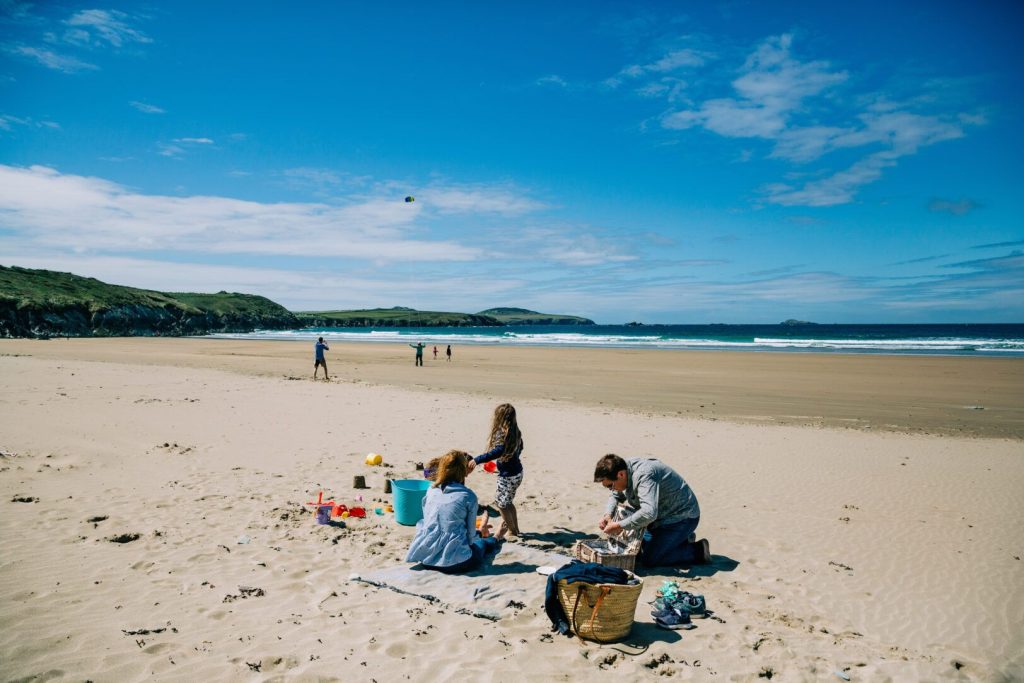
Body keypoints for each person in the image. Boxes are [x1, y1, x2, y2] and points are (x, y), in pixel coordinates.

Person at [593, 454, 710, 567]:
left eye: (610, 486)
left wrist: (619, 525)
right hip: (659, 518)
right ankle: (682, 540)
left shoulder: (644, 475)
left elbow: (649, 513)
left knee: (650, 559)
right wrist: (608, 514)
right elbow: (615, 496)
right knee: (636, 551)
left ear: (621, 474)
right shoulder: (620, 469)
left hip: (682, 517)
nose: (611, 489)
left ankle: (698, 550)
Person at [406, 450, 500, 574]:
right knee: (482, 544)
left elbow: (428, 522)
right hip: (456, 563)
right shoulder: (468, 496)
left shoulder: (430, 490)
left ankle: (483, 531)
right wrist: (478, 536)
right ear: (463, 471)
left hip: (426, 559)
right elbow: (471, 538)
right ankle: (498, 536)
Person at [467, 403, 524, 540]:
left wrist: (477, 460)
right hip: (517, 472)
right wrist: (509, 460)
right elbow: (520, 447)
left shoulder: (502, 432)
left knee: (502, 505)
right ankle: (515, 529)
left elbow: (498, 451)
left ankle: (511, 531)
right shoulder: (515, 431)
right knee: (508, 502)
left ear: (499, 417)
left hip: (508, 476)